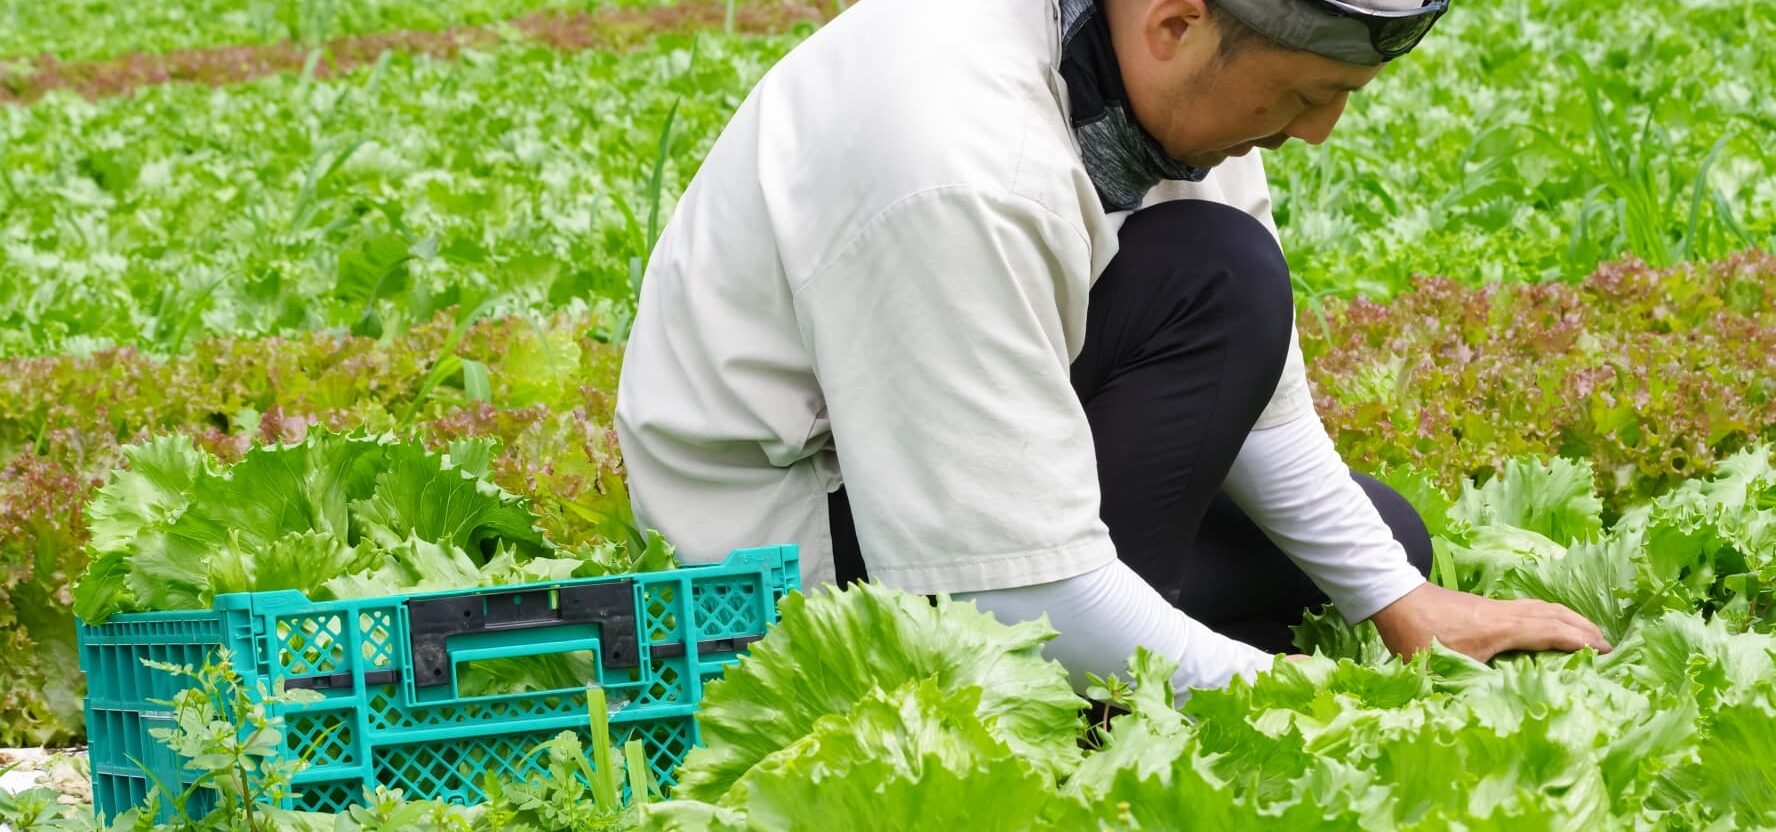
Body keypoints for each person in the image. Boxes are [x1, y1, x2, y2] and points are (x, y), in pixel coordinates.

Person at [614, 0, 1611, 695]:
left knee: (1385, 544)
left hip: (913, 462)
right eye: (1307, 94)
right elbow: (1013, 600)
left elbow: (1257, 398)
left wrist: (1407, 604)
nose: (1320, 131)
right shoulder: (957, 154)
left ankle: (1125, 647)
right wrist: (1312, 701)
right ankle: (1091, 689)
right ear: (1178, 24)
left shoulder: (1150, 80)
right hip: (795, 575)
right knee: (1223, 279)